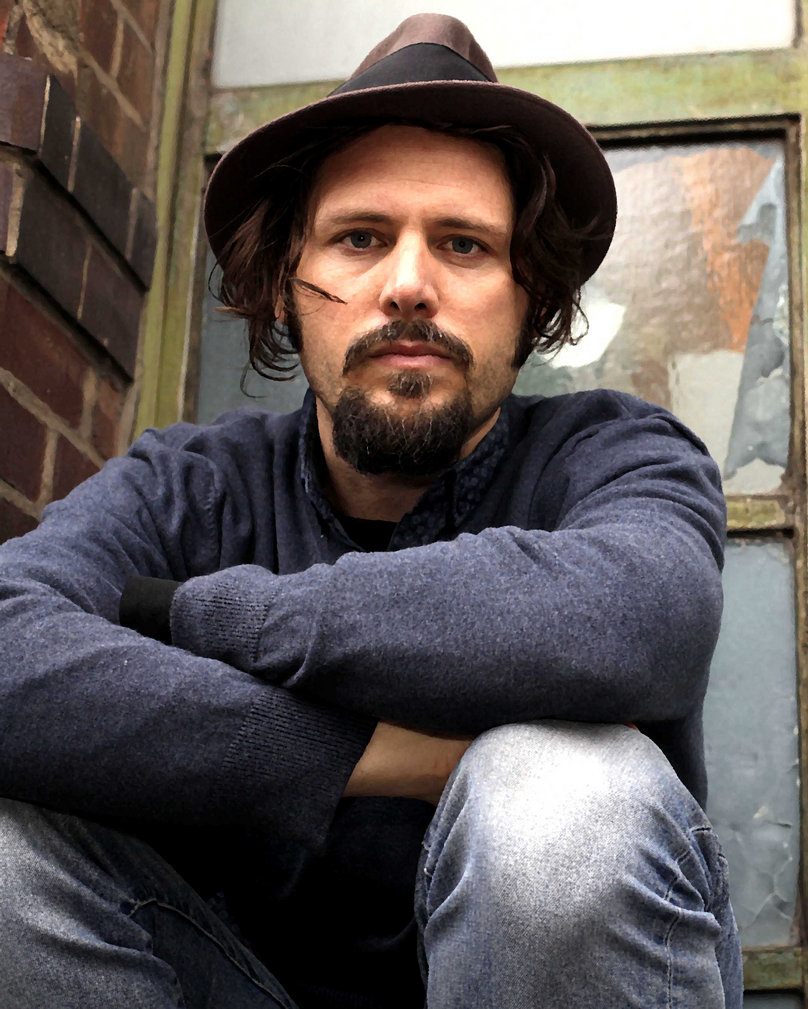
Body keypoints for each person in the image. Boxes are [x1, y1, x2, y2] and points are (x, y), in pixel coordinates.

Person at [0, 13, 740, 1009]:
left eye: (464, 245)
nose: (408, 286)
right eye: (360, 238)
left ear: (531, 300)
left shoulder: (613, 454)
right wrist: (354, 754)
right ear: (285, 287)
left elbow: (643, 616)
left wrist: (204, 615)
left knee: (558, 795)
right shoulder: (191, 484)